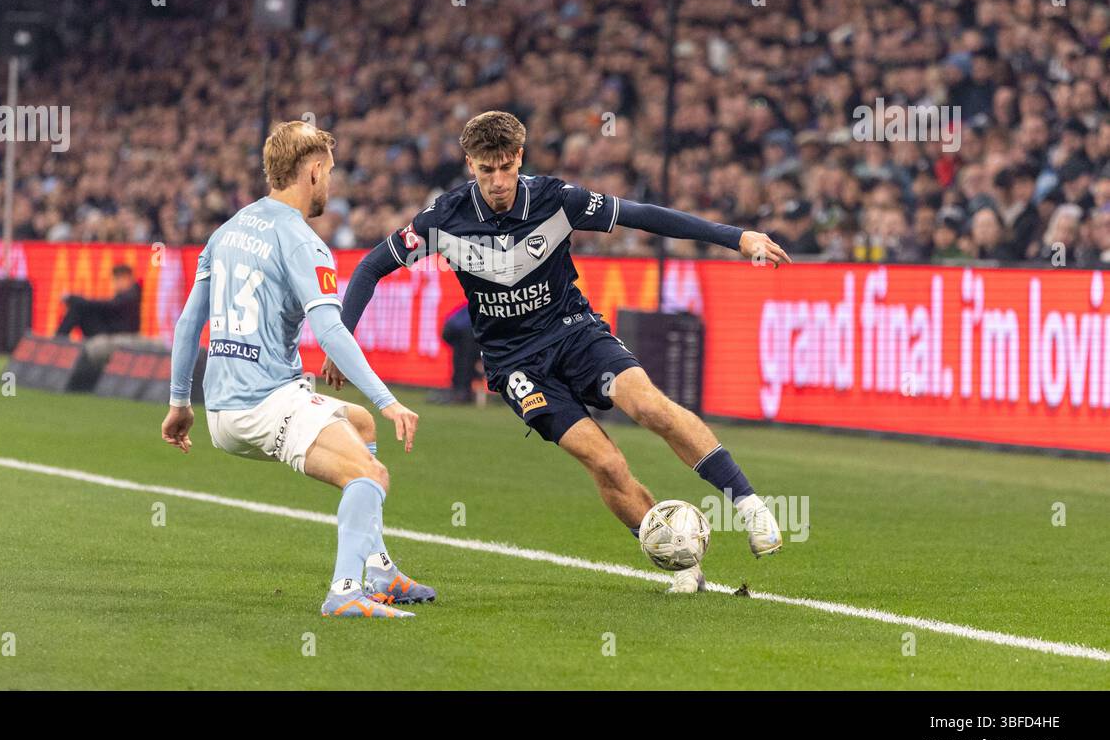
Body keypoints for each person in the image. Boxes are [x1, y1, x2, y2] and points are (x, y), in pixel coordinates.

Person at [324, 111, 790, 592]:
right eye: (487, 170)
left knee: (650, 406)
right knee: (605, 462)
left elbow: (645, 215)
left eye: (507, 167)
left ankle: (750, 506)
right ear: (470, 165)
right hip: (516, 365)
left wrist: (737, 237)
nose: (499, 181)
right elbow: (371, 267)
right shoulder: (444, 219)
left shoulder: (558, 199)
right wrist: (343, 336)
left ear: (519, 158)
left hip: (575, 332)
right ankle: (681, 560)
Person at [160, 122, 432, 618]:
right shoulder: (302, 242)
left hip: (221, 409)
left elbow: (186, 326)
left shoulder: (226, 232)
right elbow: (329, 332)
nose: (330, 183)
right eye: (328, 172)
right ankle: (346, 592)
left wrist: (180, 404)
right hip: (265, 403)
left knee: (360, 426)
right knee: (369, 474)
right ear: (310, 172)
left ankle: (378, 569)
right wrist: (389, 399)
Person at [55, 264, 142, 338]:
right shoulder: (128, 295)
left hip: (117, 334)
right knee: (80, 308)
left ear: (126, 278)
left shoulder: (131, 295)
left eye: (117, 280)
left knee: (79, 307)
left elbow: (106, 306)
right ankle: (58, 339)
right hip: (111, 330)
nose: (115, 284)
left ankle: (57, 340)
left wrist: (73, 298)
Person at [430, 303, 481, 404]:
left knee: (461, 360)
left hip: (453, 329)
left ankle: (460, 390)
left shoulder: (471, 305)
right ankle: (462, 392)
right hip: (464, 330)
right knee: (465, 362)